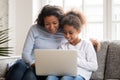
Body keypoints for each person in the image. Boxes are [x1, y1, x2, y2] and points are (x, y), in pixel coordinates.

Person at [5, 5, 99, 80]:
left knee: (29, 77)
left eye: (55, 23)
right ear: (43, 22)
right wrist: (33, 64)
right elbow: (25, 54)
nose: (51, 27)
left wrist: (91, 41)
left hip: (45, 69)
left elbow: (74, 33)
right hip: (31, 63)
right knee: (19, 67)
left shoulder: (64, 31)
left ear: (60, 21)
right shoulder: (35, 29)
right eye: (47, 24)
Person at [46, 10, 98, 80]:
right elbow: (58, 63)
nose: (67, 36)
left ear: (79, 31)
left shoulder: (87, 44)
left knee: (66, 78)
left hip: (80, 74)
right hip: (64, 72)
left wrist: (76, 61)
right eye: (65, 33)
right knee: (50, 77)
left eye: (70, 33)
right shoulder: (63, 46)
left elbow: (94, 66)